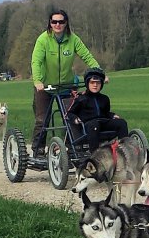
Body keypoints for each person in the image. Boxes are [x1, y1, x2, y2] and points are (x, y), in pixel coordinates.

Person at [30, 9, 102, 157]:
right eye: (54, 22)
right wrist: (37, 81)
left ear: (66, 23)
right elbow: (36, 62)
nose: (57, 24)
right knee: (42, 119)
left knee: (73, 117)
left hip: (66, 86)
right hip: (45, 86)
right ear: (50, 24)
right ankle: (38, 149)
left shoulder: (73, 39)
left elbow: (87, 56)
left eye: (61, 22)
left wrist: (99, 73)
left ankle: (70, 147)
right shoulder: (43, 40)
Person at [66, 68, 128, 152]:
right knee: (94, 125)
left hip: (103, 122)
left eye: (98, 83)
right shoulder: (81, 99)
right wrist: (75, 119)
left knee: (122, 123)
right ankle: (94, 156)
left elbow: (105, 113)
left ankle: (124, 151)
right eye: (92, 82)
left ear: (101, 84)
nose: (95, 85)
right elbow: (70, 113)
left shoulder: (104, 99)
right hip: (89, 125)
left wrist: (112, 115)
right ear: (87, 83)